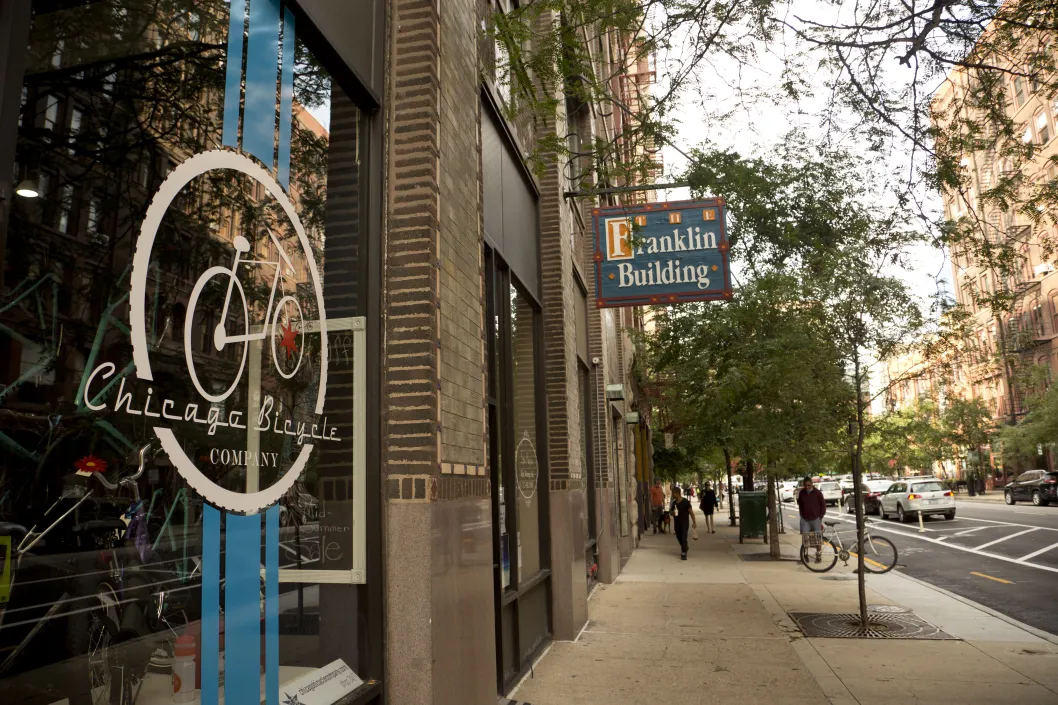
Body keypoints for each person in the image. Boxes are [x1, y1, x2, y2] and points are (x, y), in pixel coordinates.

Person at [797, 476, 826, 563]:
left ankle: (818, 556)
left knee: (817, 539)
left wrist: (820, 516)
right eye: (805, 485)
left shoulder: (817, 493)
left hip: (816, 519)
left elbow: (823, 505)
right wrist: (801, 514)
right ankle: (805, 556)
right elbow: (800, 504)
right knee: (805, 539)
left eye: (808, 485)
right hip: (805, 519)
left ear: (812, 484)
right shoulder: (802, 493)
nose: (807, 487)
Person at [670, 486, 697, 560]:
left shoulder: (685, 502)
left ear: (677, 493)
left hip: (684, 523)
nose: (672, 495)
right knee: (679, 537)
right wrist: (672, 513)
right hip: (677, 523)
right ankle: (685, 547)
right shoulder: (674, 503)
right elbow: (671, 512)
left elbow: (691, 512)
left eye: (673, 493)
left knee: (684, 537)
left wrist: (694, 522)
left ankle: (683, 552)